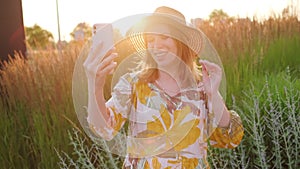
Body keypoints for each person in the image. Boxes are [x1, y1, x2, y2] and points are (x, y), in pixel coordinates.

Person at [83, 6, 244, 169]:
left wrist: (213, 94)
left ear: (181, 42)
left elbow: (229, 138)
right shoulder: (133, 83)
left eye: (164, 37)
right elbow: (103, 129)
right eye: (151, 40)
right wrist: (94, 85)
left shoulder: (202, 86)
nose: (156, 45)